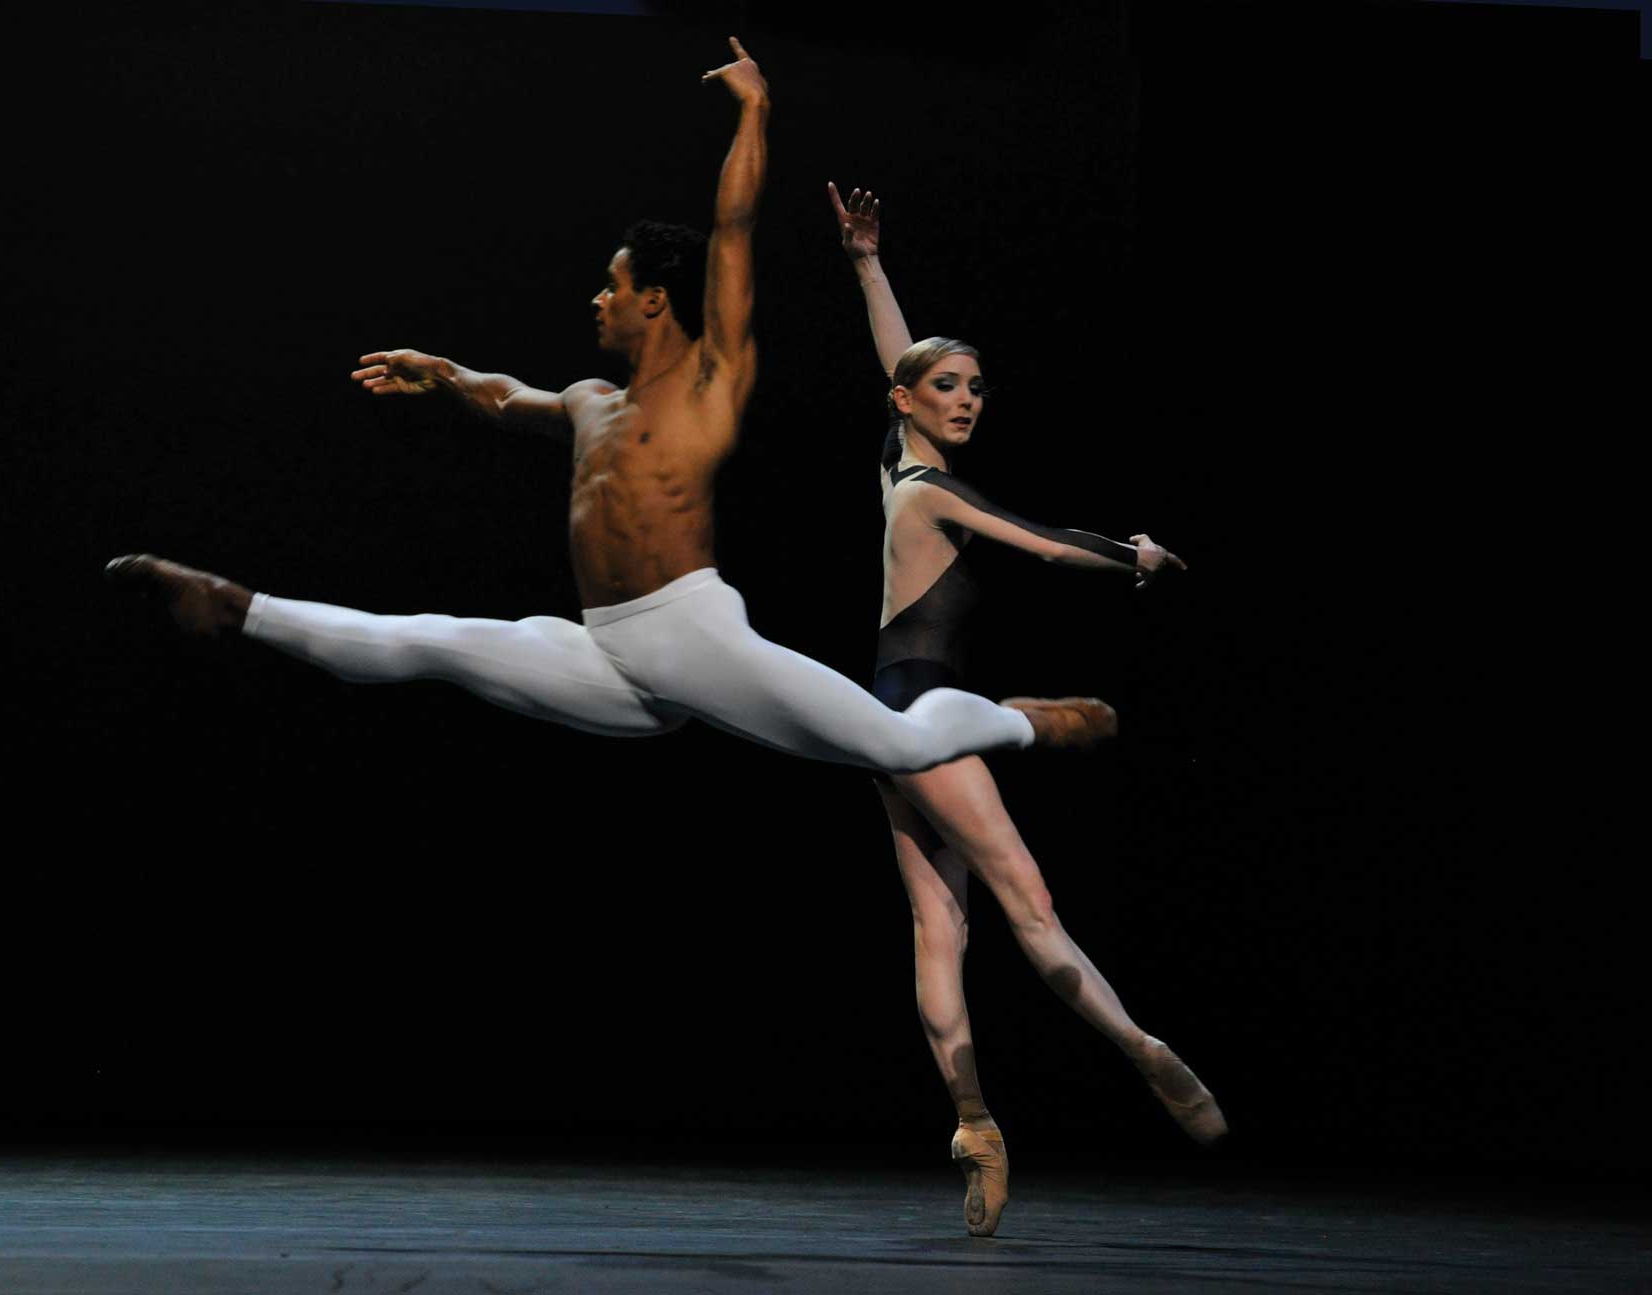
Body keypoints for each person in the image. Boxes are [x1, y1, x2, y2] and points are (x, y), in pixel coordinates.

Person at [107, 39, 1113, 777]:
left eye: (610, 282)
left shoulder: (714, 383)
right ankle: (233, 605)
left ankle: (1030, 721)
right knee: (428, 643)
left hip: (693, 637)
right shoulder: (591, 400)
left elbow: (732, 230)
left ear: (652, 299)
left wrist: (754, 113)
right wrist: (442, 373)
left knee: (896, 745)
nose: (595, 298)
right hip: (608, 650)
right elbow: (506, 399)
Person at [825, 181, 1225, 1238]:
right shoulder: (931, 492)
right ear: (913, 402)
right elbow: (1048, 544)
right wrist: (1133, 556)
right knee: (1026, 901)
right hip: (926, 709)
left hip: (889, 710)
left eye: (977, 386)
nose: (966, 398)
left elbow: (895, 368)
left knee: (939, 924)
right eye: (948, 386)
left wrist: (869, 265)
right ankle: (1140, 1046)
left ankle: (974, 1123)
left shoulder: (898, 464)